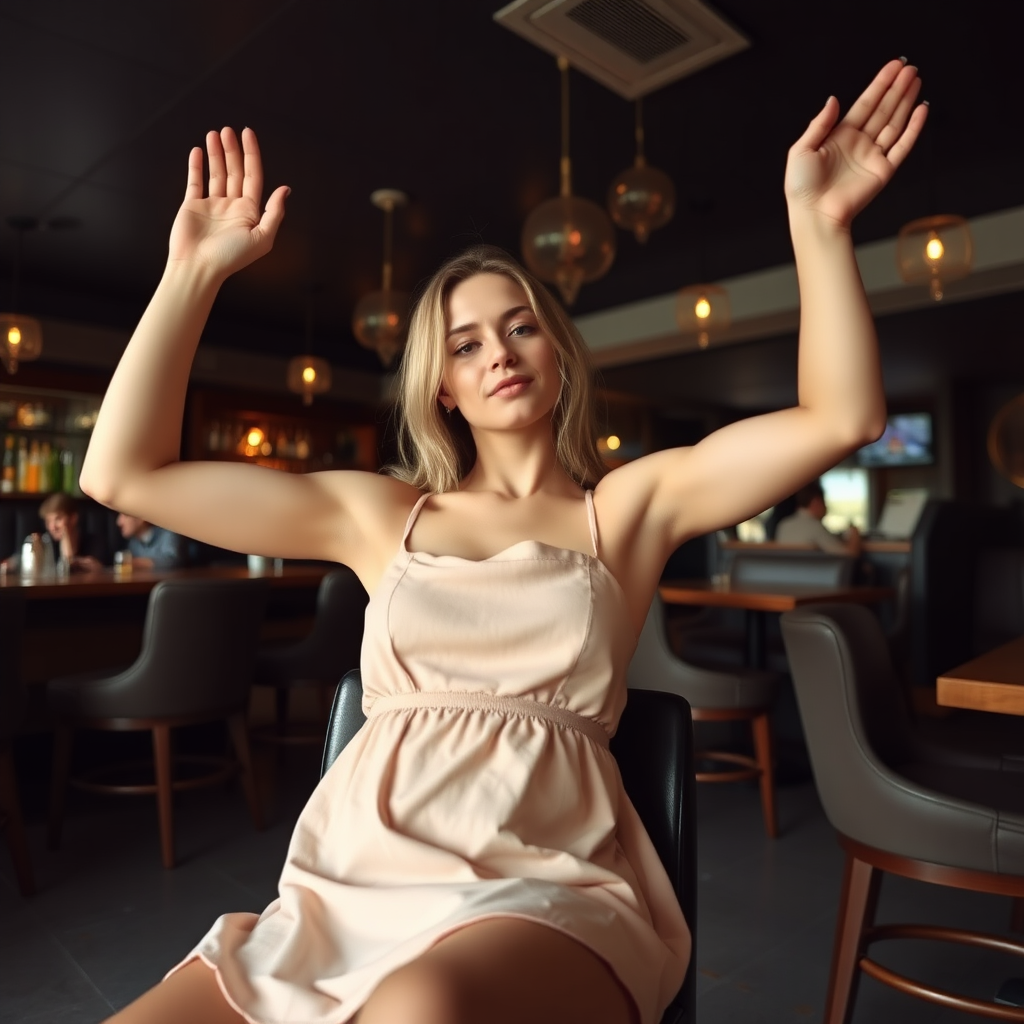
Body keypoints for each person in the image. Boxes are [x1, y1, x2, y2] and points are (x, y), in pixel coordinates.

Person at [80, 58, 925, 1024]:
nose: (499, 355)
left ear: (557, 355)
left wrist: (819, 228)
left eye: (521, 328)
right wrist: (192, 273)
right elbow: (122, 478)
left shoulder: (630, 510)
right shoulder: (377, 514)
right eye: (467, 344)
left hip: (543, 892)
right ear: (443, 386)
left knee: (421, 1009)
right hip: (345, 895)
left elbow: (841, 417)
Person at [775, 479, 863, 555]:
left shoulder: (783, 525)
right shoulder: (814, 526)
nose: (826, 507)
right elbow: (850, 553)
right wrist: (855, 533)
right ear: (816, 502)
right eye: (824, 502)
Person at [39, 493, 107, 572]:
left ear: (73, 519)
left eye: (58, 519)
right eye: (48, 521)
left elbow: (99, 568)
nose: (52, 527)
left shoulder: (94, 541)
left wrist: (66, 540)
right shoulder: (46, 544)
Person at [115, 512, 186, 569]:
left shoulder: (168, 533)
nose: (119, 522)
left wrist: (138, 563)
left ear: (141, 518)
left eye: (125, 515)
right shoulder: (133, 542)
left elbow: (174, 561)